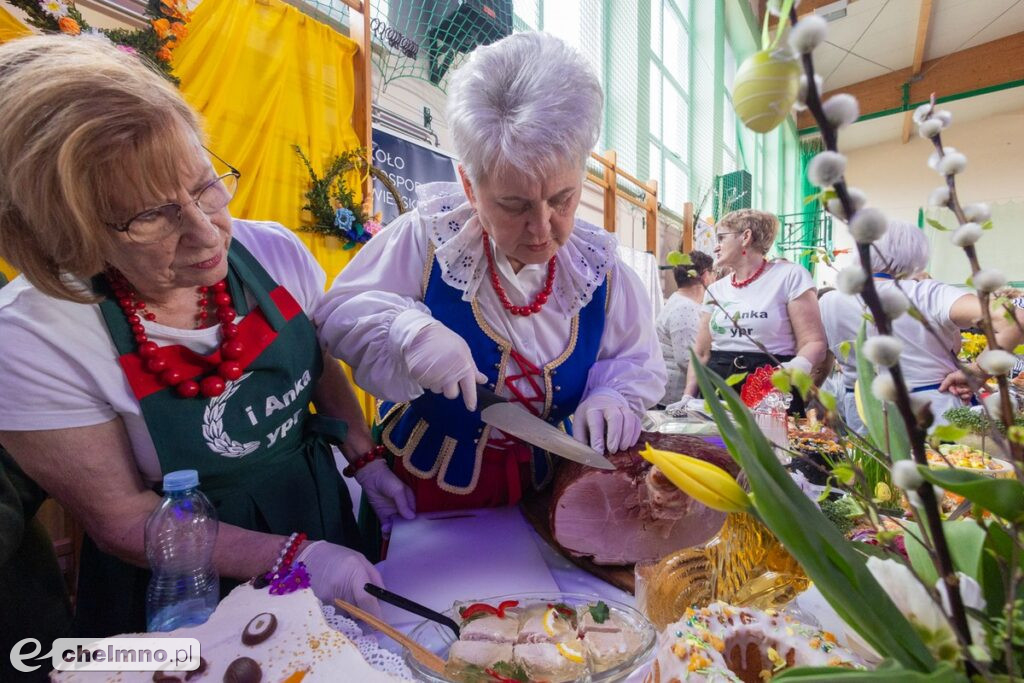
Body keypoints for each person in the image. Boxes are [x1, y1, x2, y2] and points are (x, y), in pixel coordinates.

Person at [0, 35, 412, 636]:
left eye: (203, 186)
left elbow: (317, 364)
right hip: (183, 582)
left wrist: (364, 455)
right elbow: (122, 519)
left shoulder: (272, 250)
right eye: (149, 216)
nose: (206, 232)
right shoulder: (34, 338)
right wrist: (291, 557)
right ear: (69, 232)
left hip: (314, 507)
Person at [315, 32, 666, 512]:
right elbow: (338, 314)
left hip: (549, 492)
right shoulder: (429, 239)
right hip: (425, 487)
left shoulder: (600, 271)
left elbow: (632, 360)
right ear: (468, 185)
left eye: (562, 199)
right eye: (514, 205)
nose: (542, 227)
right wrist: (407, 330)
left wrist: (614, 394)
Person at [820, 220, 1024, 434]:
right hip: (932, 414)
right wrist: (979, 371)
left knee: (872, 457)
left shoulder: (828, 302)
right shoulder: (928, 293)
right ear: (917, 255)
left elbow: (820, 362)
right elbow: (1015, 319)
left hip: (864, 416)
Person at [680, 209, 826, 413]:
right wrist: (688, 396)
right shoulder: (715, 289)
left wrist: (791, 372)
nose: (715, 247)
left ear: (746, 237)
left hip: (771, 384)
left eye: (721, 238)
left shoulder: (789, 276)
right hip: (719, 385)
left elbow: (814, 342)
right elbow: (701, 352)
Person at [656, 251, 714, 406]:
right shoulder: (684, 308)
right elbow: (687, 360)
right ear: (705, 276)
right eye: (713, 272)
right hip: (676, 400)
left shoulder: (681, 301)